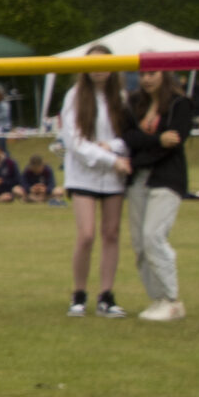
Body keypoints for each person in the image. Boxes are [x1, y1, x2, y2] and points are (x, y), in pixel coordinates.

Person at [123, 67, 197, 322]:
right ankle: (157, 299)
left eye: (152, 73)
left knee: (153, 235)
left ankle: (171, 299)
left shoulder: (180, 104)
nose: (146, 79)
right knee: (139, 243)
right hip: (137, 180)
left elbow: (174, 142)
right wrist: (156, 140)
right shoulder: (134, 103)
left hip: (167, 178)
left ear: (164, 74)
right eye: (142, 74)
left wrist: (143, 150)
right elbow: (128, 136)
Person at [61, 55, 130, 318]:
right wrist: (110, 159)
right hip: (83, 175)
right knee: (86, 234)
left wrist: (112, 148)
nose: (99, 70)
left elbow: (128, 136)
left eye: (104, 65)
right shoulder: (74, 96)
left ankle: (106, 296)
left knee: (111, 233)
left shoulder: (120, 97)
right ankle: (79, 294)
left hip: (113, 177)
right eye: (93, 65)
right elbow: (74, 141)